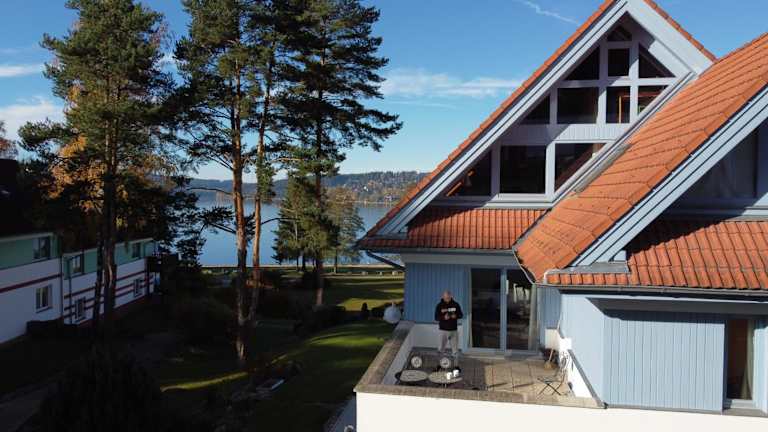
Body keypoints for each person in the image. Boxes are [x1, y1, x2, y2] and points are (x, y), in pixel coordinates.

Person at [434, 291, 463, 363]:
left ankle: (455, 365)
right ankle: (439, 364)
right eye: (446, 297)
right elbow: (436, 317)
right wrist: (444, 317)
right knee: (440, 349)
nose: (447, 299)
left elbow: (461, 315)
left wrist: (455, 316)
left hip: (453, 330)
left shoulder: (456, 304)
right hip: (443, 330)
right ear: (443, 297)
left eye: (448, 297)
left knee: (455, 350)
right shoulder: (439, 305)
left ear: (451, 296)